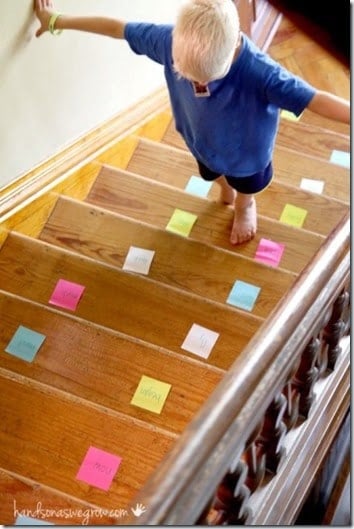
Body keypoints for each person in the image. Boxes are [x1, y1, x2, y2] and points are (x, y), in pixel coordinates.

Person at [34, 0, 350, 245]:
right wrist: (55, 21)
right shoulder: (167, 41)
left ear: (233, 47)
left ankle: (244, 205)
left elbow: (314, 98)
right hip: (201, 141)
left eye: (207, 79)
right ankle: (225, 189)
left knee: (244, 185)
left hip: (248, 154)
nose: (199, 85)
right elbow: (117, 27)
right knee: (213, 175)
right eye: (188, 75)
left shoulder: (262, 74)